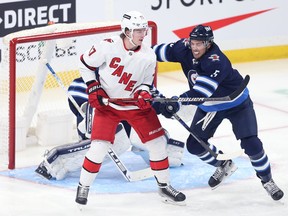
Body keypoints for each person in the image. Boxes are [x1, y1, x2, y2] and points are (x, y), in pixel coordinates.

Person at [153, 24, 284, 201]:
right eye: (193, 43)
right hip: (211, 106)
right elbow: (151, 53)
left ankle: (267, 180)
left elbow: (201, 92)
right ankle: (224, 165)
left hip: (237, 103)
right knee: (195, 145)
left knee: (251, 144)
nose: (195, 47)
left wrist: (176, 102)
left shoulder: (216, 60)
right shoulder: (183, 47)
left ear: (208, 44)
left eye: (200, 44)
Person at [74, 11, 186, 206]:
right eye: (137, 30)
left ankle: (164, 186)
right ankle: (83, 187)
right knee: (98, 148)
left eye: (144, 30)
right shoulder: (107, 46)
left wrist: (143, 93)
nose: (142, 34)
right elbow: (84, 64)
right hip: (108, 106)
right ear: (126, 31)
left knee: (158, 143)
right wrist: (93, 86)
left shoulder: (148, 55)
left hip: (135, 107)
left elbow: (145, 81)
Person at [35, 77, 185, 180]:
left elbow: (158, 104)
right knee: (111, 142)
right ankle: (56, 160)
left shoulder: (140, 75)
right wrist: (91, 109)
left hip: (125, 118)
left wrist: (168, 105)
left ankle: (153, 150)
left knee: (154, 141)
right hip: (100, 115)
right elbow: (77, 90)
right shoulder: (97, 76)